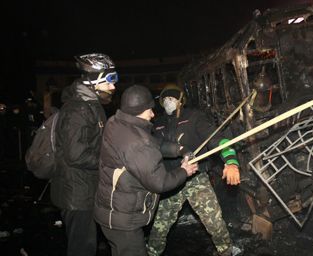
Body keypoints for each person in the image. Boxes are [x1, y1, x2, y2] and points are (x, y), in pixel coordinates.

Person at [94, 85, 198, 256]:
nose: (153, 114)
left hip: (111, 211)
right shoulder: (137, 143)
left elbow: (153, 144)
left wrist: (178, 149)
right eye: (149, 109)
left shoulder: (116, 123)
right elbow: (159, 182)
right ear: (139, 111)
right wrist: (183, 171)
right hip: (123, 219)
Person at [147, 84, 241, 256]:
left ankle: (226, 250)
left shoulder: (194, 117)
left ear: (181, 100)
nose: (168, 101)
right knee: (160, 225)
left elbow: (218, 140)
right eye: (165, 99)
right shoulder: (157, 124)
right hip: (171, 180)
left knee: (213, 219)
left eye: (172, 98)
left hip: (195, 178)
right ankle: (152, 252)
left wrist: (231, 161)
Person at [50, 53, 117, 256]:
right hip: (77, 194)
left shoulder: (91, 105)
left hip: (86, 188)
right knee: (82, 248)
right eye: (110, 80)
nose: (113, 87)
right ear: (93, 81)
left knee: (88, 244)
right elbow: (76, 155)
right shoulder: (77, 110)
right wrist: (109, 161)